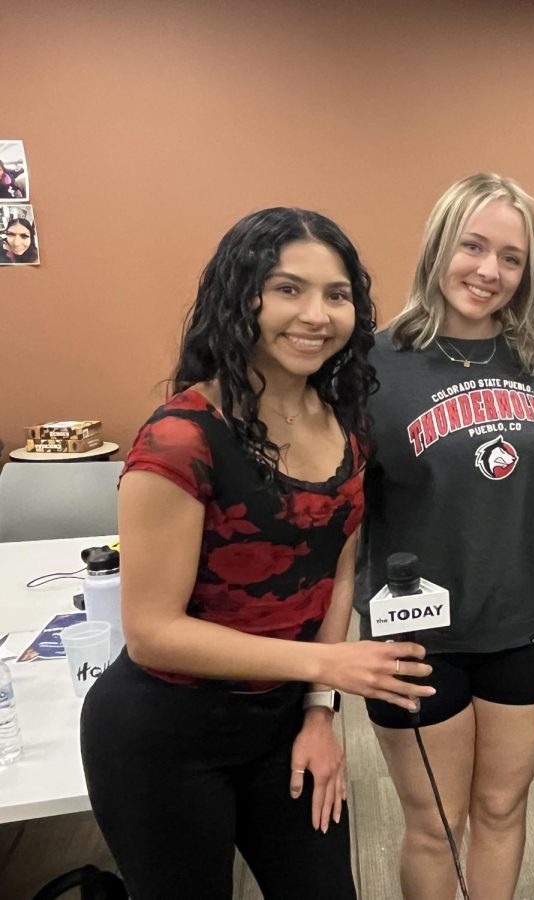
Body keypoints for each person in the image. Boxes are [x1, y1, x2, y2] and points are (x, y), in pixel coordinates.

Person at [80, 207, 435, 900]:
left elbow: (336, 574)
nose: (316, 314)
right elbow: (153, 633)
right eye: (288, 289)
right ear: (242, 298)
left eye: (337, 295)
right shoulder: (183, 437)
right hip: (162, 735)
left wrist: (319, 711)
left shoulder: (348, 425)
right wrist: (327, 665)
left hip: (281, 725)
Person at [357, 172, 534, 899]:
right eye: (473, 246)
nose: (489, 270)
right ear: (439, 245)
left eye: (510, 257)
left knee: (503, 809)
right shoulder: (371, 364)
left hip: (527, 627)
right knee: (436, 823)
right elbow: (346, 517)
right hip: (418, 639)